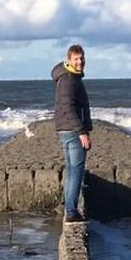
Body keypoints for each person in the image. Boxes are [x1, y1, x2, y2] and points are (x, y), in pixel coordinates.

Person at [51, 44, 92, 221]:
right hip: (72, 130)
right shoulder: (68, 80)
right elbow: (68, 107)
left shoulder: (71, 77)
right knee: (76, 171)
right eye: (76, 58)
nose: (80, 61)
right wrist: (82, 132)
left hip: (66, 128)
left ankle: (68, 205)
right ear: (69, 60)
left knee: (71, 170)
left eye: (82, 58)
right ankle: (71, 212)